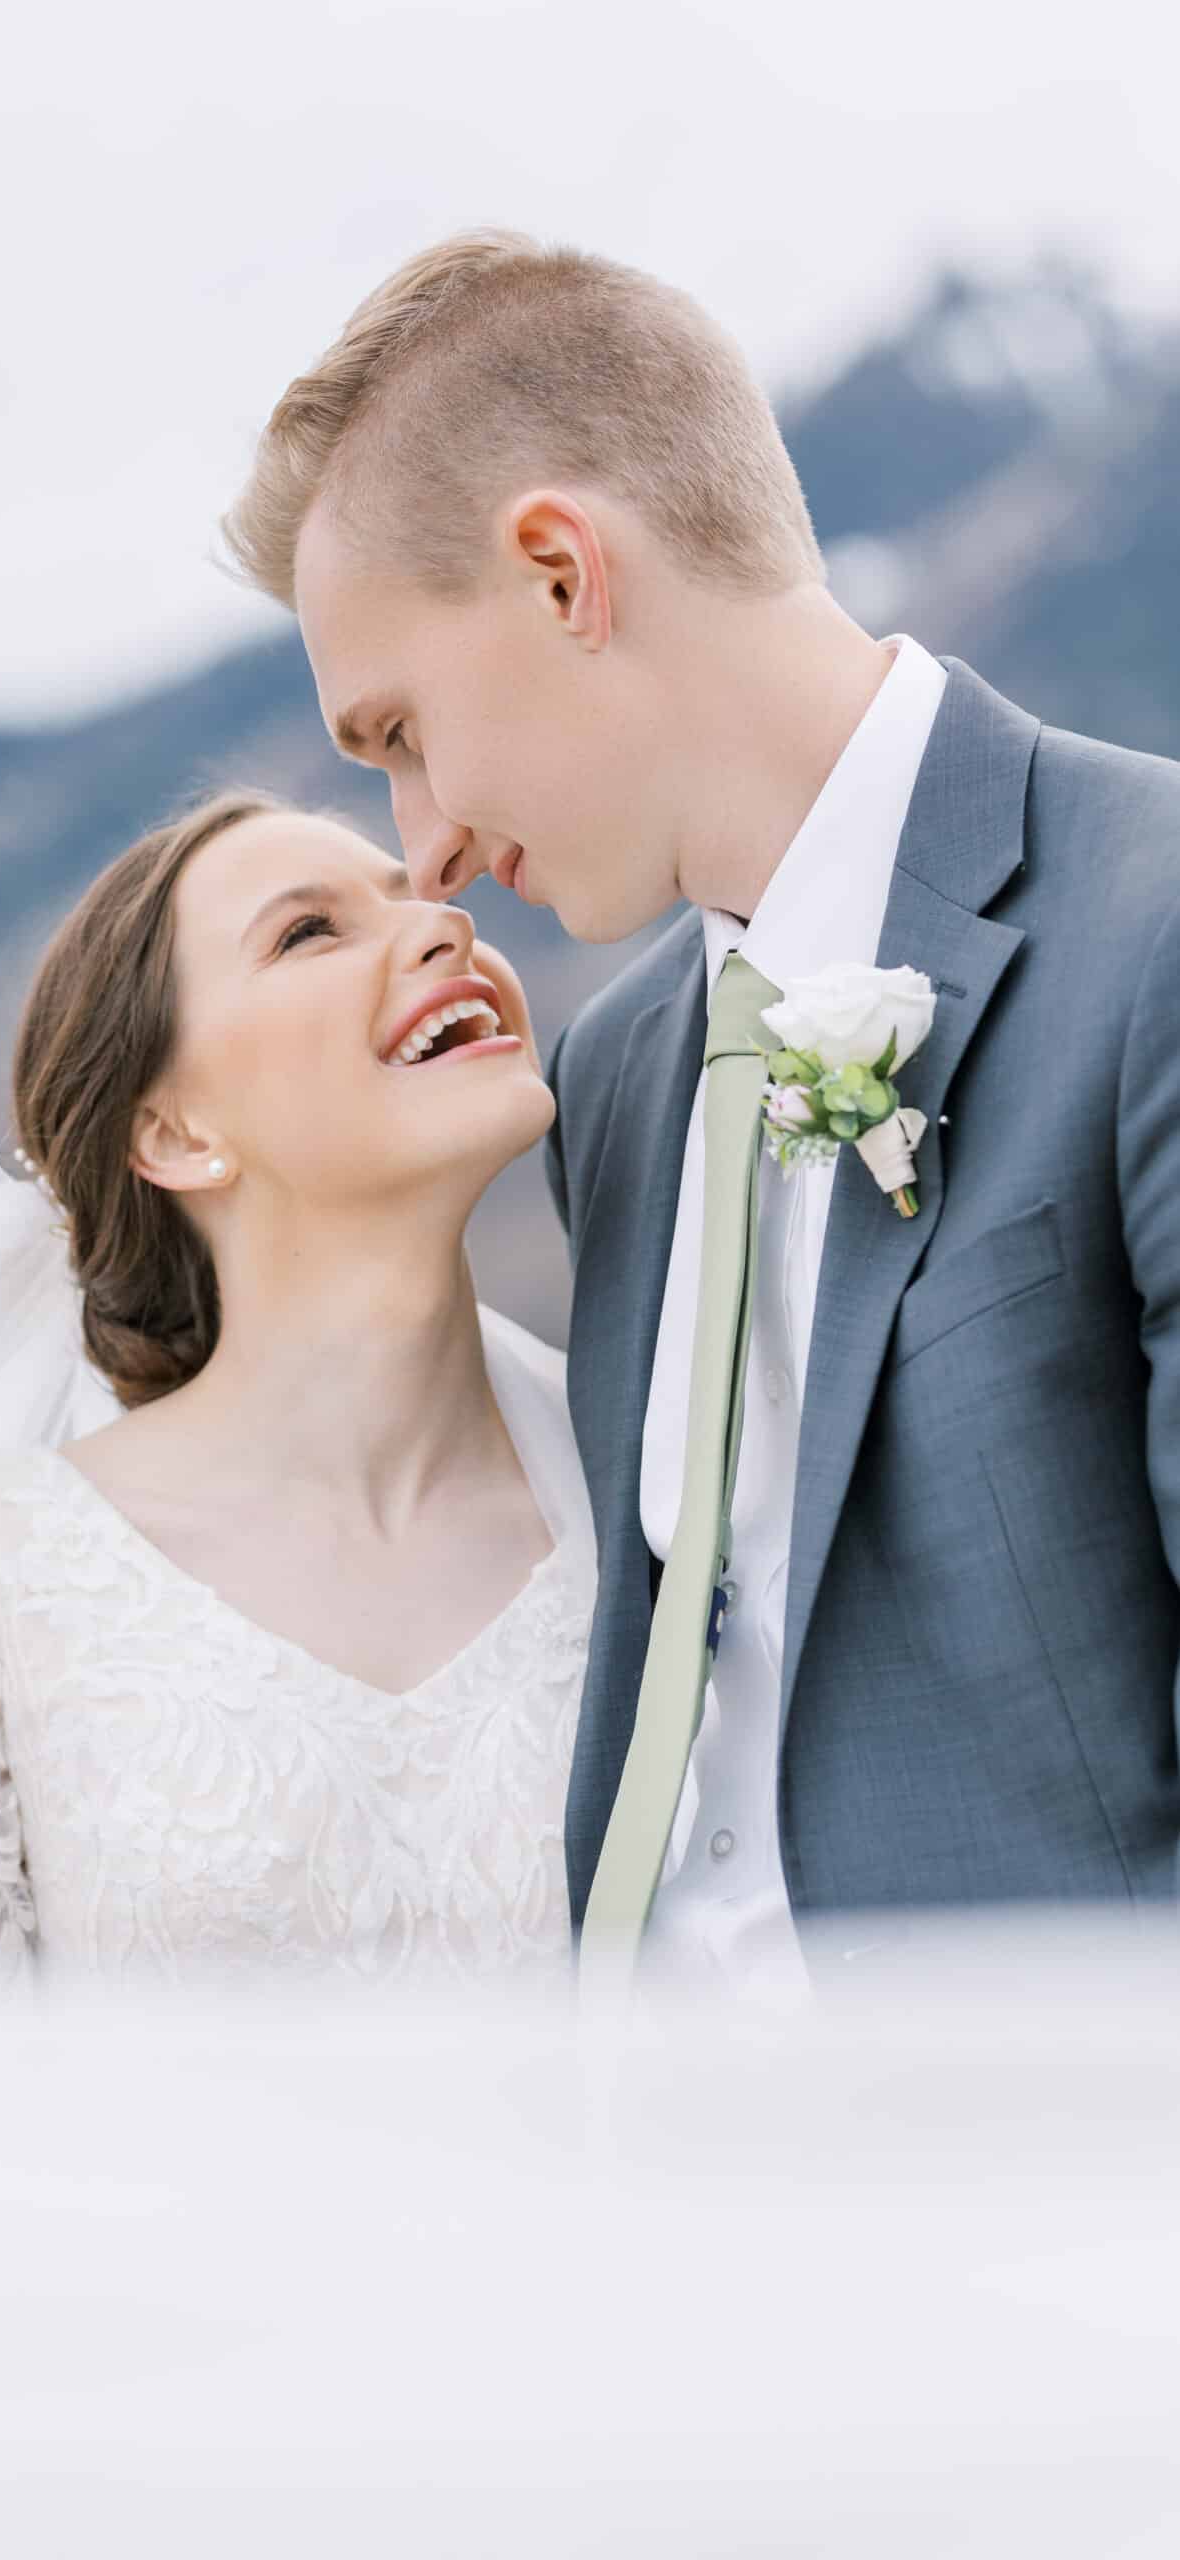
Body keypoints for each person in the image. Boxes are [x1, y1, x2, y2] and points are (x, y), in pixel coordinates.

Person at [224, 230, 1180, 2001]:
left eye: (403, 729)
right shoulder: (619, 1080)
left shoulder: (1153, 925)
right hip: (658, 2193)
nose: (417, 838)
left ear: (559, 573)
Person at [0, 789, 593, 1992]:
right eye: (308, 933)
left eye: (417, 897)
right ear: (175, 1136)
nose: (446, 927)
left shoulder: (646, 1485)